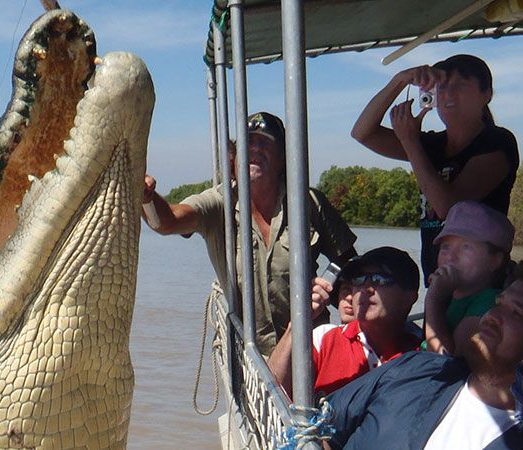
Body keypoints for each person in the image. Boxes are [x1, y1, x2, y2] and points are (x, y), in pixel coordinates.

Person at [143, 112, 357, 356]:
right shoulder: (219, 203)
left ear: (283, 158)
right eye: (248, 143)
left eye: (265, 143)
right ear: (233, 159)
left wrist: (332, 289)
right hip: (250, 356)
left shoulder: (309, 202)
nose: (255, 149)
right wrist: (146, 198)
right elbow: (166, 221)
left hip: (310, 346)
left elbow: (348, 260)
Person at [351, 54, 519, 283]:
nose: (448, 93)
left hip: (480, 285)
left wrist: (410, 141)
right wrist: (399, 81)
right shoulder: (432, 145)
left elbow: (448, 208)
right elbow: (362, 133)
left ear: (486, 95)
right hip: (439, 280)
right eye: (442, 86)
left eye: (460, 84)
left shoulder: (497, 141)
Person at [324, 278, 523, 449]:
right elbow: (320, 430)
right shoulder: (415, 369)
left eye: (517, 313)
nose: (492, 316)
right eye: (498, 304)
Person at [268, 247, 420, 396]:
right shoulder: (323, 339)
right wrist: (297, 322)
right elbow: (270, 391)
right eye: (359, 279)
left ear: (409, 296)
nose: (365, 288)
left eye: (380, 280)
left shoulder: (421, 352)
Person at [425, 200, 515, 355]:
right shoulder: (451, 298)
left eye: (466, 247)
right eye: (445, 247)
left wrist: (433, 298)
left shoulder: (489, 302)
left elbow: (444, 361)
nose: (451, 257)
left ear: (495, 260)